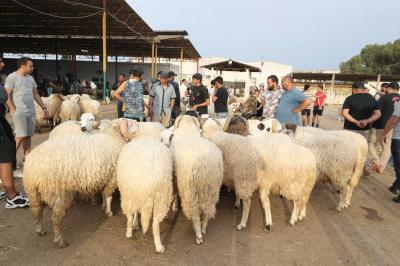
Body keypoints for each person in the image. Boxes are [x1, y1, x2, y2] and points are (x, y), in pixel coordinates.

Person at [5, 57, 48, 167]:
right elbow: (7, 95)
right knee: (20, 135)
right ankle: (7, 162)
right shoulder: (12, 77)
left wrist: (43, 107)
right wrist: (13, 110)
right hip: (19, 112)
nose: (32, 68)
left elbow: (36, 94)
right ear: (23, 66)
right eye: (31, 66)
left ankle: (27, 160)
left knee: (28, 136)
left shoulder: (31, 79)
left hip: (30, 111)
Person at [369, 82, 400, 174]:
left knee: (369, 143)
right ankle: (381, 167)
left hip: (380, 125)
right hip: (393, 127)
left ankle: (376, 161)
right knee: (386, 147)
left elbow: (376, 113)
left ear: (389, 88)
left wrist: (370, 123)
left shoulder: (384, 97)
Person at [380, 92, 400, 201]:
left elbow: (393, 121)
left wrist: (383, 134)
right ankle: (395, 186)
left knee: (398, 167)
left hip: (398, 138)